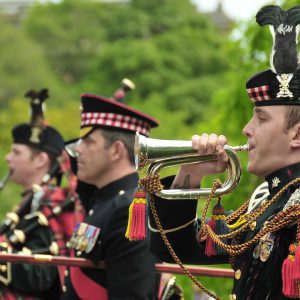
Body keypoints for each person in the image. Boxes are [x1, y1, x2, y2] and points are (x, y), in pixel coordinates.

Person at [147, 5, 300, 300]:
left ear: (297, 134)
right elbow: (173, 248)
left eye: (261, 118)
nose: (246, 129)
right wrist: (189, 176)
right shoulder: (266, 204)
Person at [61, 81, 160, 300]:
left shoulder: (129, 210)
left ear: (116, 151)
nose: (77, 149)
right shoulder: (105, 201)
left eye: (88, 142)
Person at [1, 88, 85, 299]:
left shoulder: (51, 202)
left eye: (16, 152)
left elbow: (42, 274)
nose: (7, 158)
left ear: (40, 161)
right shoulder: (30, 202)